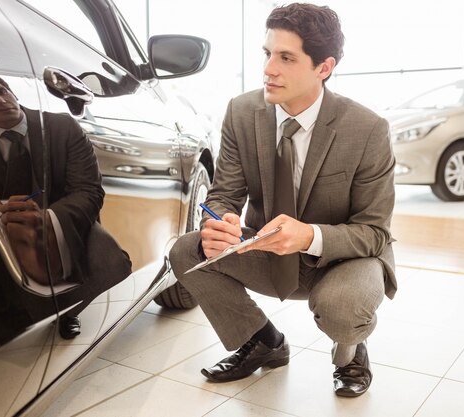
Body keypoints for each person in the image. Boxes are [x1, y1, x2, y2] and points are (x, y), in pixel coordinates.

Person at [169, 3, 396, 397]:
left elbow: (374, 232)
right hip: (267, 248)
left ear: (323, 68)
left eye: (286, 57)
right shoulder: (242, 112)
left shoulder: (368, 129)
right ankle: (263, 342)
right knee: (188, 252)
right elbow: (226, 191)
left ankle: (349, 352)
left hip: (342, 258)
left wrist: (308, 236)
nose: (269, 69)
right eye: (267, 54)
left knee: (343, 308)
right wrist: (220, 222)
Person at [0, 66, 131, 354]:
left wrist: (47, 219)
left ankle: (68, 311)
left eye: (1, 90)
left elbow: (88, 191)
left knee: (111, 264)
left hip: (61, 221)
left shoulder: (62, 127)